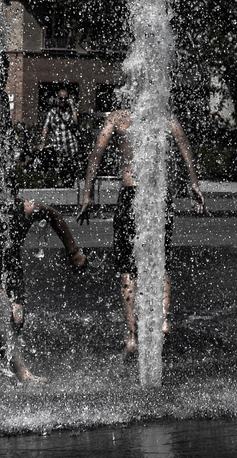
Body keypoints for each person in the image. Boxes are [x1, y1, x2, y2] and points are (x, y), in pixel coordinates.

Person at [76, 103, 207, 356]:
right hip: (159, 196)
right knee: (162, 263)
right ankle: (164, 321)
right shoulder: (166, 115)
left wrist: (88, 195)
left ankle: (133, 337)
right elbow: (184, 147)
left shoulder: (118, 118)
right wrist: (193, 183)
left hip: (131, 193)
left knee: (128, 269)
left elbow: (96, 154)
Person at [0, 196, 87, 382]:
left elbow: (54, 215)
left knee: (15, 319)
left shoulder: (24, 209)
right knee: (2, 308)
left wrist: (74, 252)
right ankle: (24, 374)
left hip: (13, 278)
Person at [38, 87, 81, 186]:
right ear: (57, 99)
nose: (63, 100)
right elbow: (46, 128)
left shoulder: (70, 111)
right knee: (61, 172)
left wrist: (72, 106)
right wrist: (43, 142)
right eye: (60, 98)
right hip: (59, 148)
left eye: (65, 98)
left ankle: (72, 190)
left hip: (71, 148)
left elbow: (76, 122)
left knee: (72, 174)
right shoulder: (52, 112)